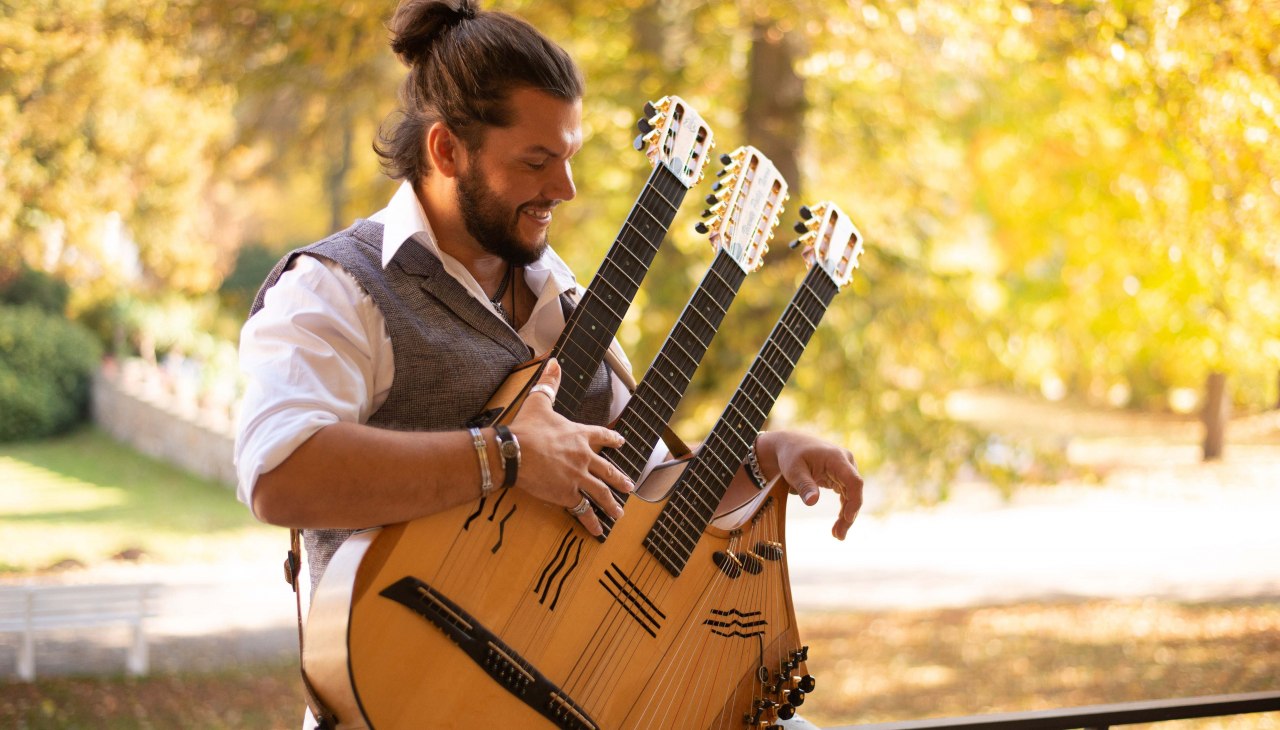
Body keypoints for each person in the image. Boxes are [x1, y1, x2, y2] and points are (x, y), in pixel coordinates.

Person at [234, 1, 863, 727]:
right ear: (445, 152)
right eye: (535, 162)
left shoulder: (561, 294)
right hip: (407, 697)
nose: (563, 189)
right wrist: (502, 455)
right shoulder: (334, 289)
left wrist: (766, 456)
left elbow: (639, 485)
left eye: (568, 158)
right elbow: (279, 474)